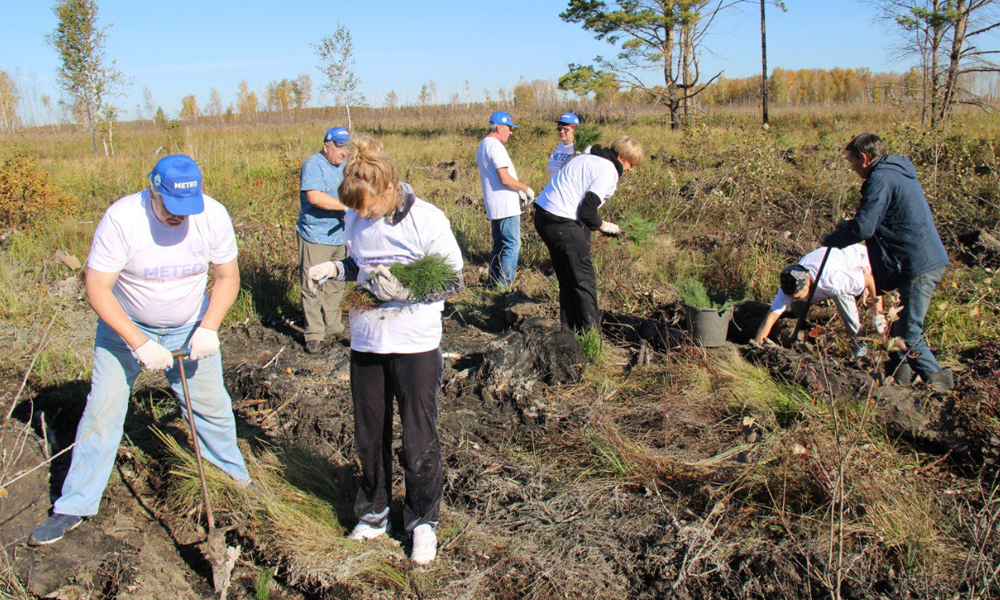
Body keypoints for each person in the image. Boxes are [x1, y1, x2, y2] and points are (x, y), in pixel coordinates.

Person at [29, 155, 253, 546]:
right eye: (172, 207)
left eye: (188, 208)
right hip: (126, 330)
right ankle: (74, 504)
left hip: (190, 327)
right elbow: (97, 288)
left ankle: (237, 484)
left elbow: (227, 277)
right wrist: (139, 342)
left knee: (212, 410)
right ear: (154, 190)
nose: (180, 217)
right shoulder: (122, 219)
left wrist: (209, 328)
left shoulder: (212, 214)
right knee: (103, 413)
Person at [306, 137, 463, 566]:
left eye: (365, 207)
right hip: (367, 340)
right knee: (369, 434)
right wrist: (337, 268)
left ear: (388, 189)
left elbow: (454, 280)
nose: (359, 216)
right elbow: (361, 263)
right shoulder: (358, 218)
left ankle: (422, 522)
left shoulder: (426, 219)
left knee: (418, 437)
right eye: (353, 209)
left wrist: (410, 288)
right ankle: (374, 513)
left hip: (414, 343)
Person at [822, 133, 953, 391]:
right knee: (895, 333)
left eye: (852, 162)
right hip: (918, 261)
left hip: (917, 265)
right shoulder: (895, 173)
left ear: (864, 158)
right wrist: (849, 226)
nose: (852, 168)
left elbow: (865, 228)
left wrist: (834, 239)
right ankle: (894, 389)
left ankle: (943, 389)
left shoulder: (880, 178)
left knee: (908, 333)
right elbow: (880, 219)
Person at [533, 136, 643, 332]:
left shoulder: (586, 158)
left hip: (544, 217)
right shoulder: (609, 170)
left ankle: (569, 332)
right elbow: (587, 211)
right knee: (584, 280)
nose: (630, 169)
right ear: (621, 156)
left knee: (568, 279)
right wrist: (607, 227)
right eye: (630, 163)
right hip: (562, 221)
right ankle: (590, 336)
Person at [753, 245, 885, 356]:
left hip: (863, 262)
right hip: (835, 261)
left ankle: (859, 343)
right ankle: (802, 326)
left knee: (840, 294)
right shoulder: (790, 285)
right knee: (796, 305)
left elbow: (870, 280)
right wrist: (757, 347)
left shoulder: (832, 281)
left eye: (797, 296)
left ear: (807, 284)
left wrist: (878, 313)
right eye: (791, 297)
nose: (792, 299)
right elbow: (769, 318)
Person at [297, 126, 351, 353]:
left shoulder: (346, 166)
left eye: (346, 147)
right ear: (326, 146)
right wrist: (346, 208)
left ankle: (334, 327)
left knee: (336, 283)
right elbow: (315, 197)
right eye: (339, 147)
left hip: (340, 235)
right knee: (312, 284)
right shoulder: (313, 164)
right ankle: (314, 334)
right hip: (316, 235)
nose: (344, 152)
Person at [476, 110, 533, 288]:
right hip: (505, 206)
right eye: (509, 128)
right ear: (500, 127)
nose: (511, 132)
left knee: (499, 245)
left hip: (495, 204)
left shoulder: (484, 144)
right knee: (512, 245)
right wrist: (525, 188)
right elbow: (505, 178)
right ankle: (503, 286)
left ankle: (492, 283)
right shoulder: (496, 146)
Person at [546, 112, 579, 180]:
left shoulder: (582, 148)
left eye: (566, 129)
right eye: (559, 128)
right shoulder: (560, 146)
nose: (562, 131)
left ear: (575, 130)